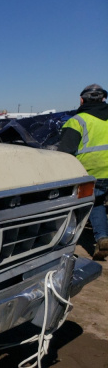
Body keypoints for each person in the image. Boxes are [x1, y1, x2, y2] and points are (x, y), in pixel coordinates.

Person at [59, 84, 108, 260]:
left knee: (92, 204)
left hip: (91, 172)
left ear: (81, 100)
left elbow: (65, 152)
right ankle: (102, 237)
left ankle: (98, 238)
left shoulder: (77, 121)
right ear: (103, 99)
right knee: (99, 203)